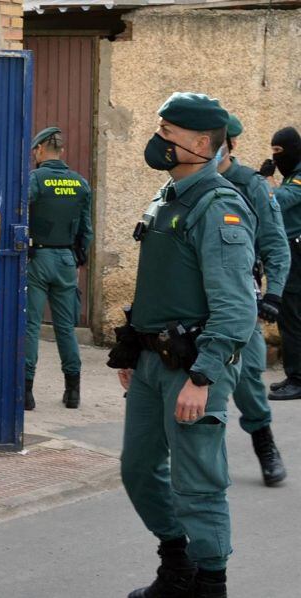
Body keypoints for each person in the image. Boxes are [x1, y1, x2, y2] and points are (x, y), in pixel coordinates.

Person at [110, 93, 255, 598]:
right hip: (152, 363)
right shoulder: (167, 198)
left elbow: (236, 306)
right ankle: (177, 567)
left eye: (168, 132)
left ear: (199, 143)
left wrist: (203, 376)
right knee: (138, 471)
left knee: (197, 484)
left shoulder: (220, 207)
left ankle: (211, 584)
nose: (159, 139)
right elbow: (159, 285)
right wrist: (132, 348)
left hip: (193, 368)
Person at [217, 114, 288, 485]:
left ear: (231, 144)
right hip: (194, 303)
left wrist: (273, 293)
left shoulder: (251, 186)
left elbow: (276, 245)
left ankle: (265, 444)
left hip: (240, 302)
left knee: (247, 381)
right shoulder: (183, 183)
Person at [23, 126, 92, 411]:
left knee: (31, 326)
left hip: (38, 258)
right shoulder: (80, 183)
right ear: (61, 150)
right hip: (66, 260)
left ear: (39, 150)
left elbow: (22, 214)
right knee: (66, 328)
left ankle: (26, 393)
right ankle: (72, 392)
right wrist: (79, 258)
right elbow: (86, 229)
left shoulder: (35, 180)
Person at [266, 126, 301, 401]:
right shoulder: (292, 175)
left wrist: (265, 179)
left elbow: (279, 200)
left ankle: (298, 379)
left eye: (279, 151)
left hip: (296, 255)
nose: (276, 157)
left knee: (291, 316)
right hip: (291, 251)